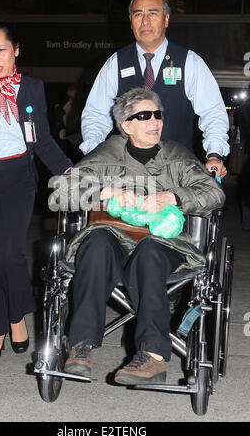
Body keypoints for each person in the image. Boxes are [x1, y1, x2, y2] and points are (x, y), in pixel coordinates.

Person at [49, 87, 225, 384]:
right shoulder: (108, 153)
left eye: (158, 115)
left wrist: (173, 197)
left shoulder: (176, 156)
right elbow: (60, 191)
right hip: (114, 234)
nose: (154, 121)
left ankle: (152, 358)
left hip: (162, 242)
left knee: (148, 254)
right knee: (96, 243)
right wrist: (107, 191)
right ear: (126, 125)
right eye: (144, 116)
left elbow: (214, 193)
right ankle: (80, 347)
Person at [0, 21, 72, 359]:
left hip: (16, 178)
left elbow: (43, 140)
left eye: (1, 50)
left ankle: (16, 315)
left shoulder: (33, 87)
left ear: (16, 49)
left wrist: (68, 170)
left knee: (5, 255)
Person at [80, 0, 229, 179]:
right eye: (138, 14)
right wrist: (96, 155)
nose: (145, 21)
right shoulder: (115, 64)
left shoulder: (189, 62)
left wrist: (214, 154)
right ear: (130, 21)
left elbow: (213, 112)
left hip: (179, 172)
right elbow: (96, 115)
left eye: (153, 13)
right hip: (127, 174)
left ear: (166, 19)